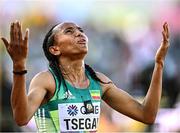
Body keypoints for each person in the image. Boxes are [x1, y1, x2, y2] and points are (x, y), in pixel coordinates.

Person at [1, 21, 170, 132]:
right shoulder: (47, 80)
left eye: (81, 31)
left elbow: (147, 115)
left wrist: (159, 64)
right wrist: (19, 66)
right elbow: (21, 118)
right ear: (55, 49)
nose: (79, 34)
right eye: (69, 31)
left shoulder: (99, 82)